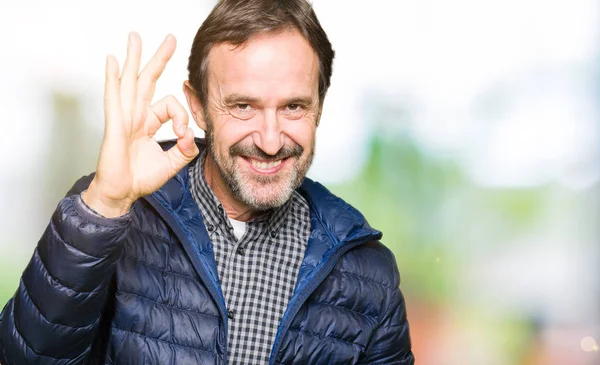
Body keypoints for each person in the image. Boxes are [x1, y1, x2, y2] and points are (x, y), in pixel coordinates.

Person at [0, 0, 414, 364]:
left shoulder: (369, 273)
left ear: (319, 108)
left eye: (293, 106)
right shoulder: (111, 215)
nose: (270, 141)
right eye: (243, 106)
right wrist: (106, 204)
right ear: (198, 106)